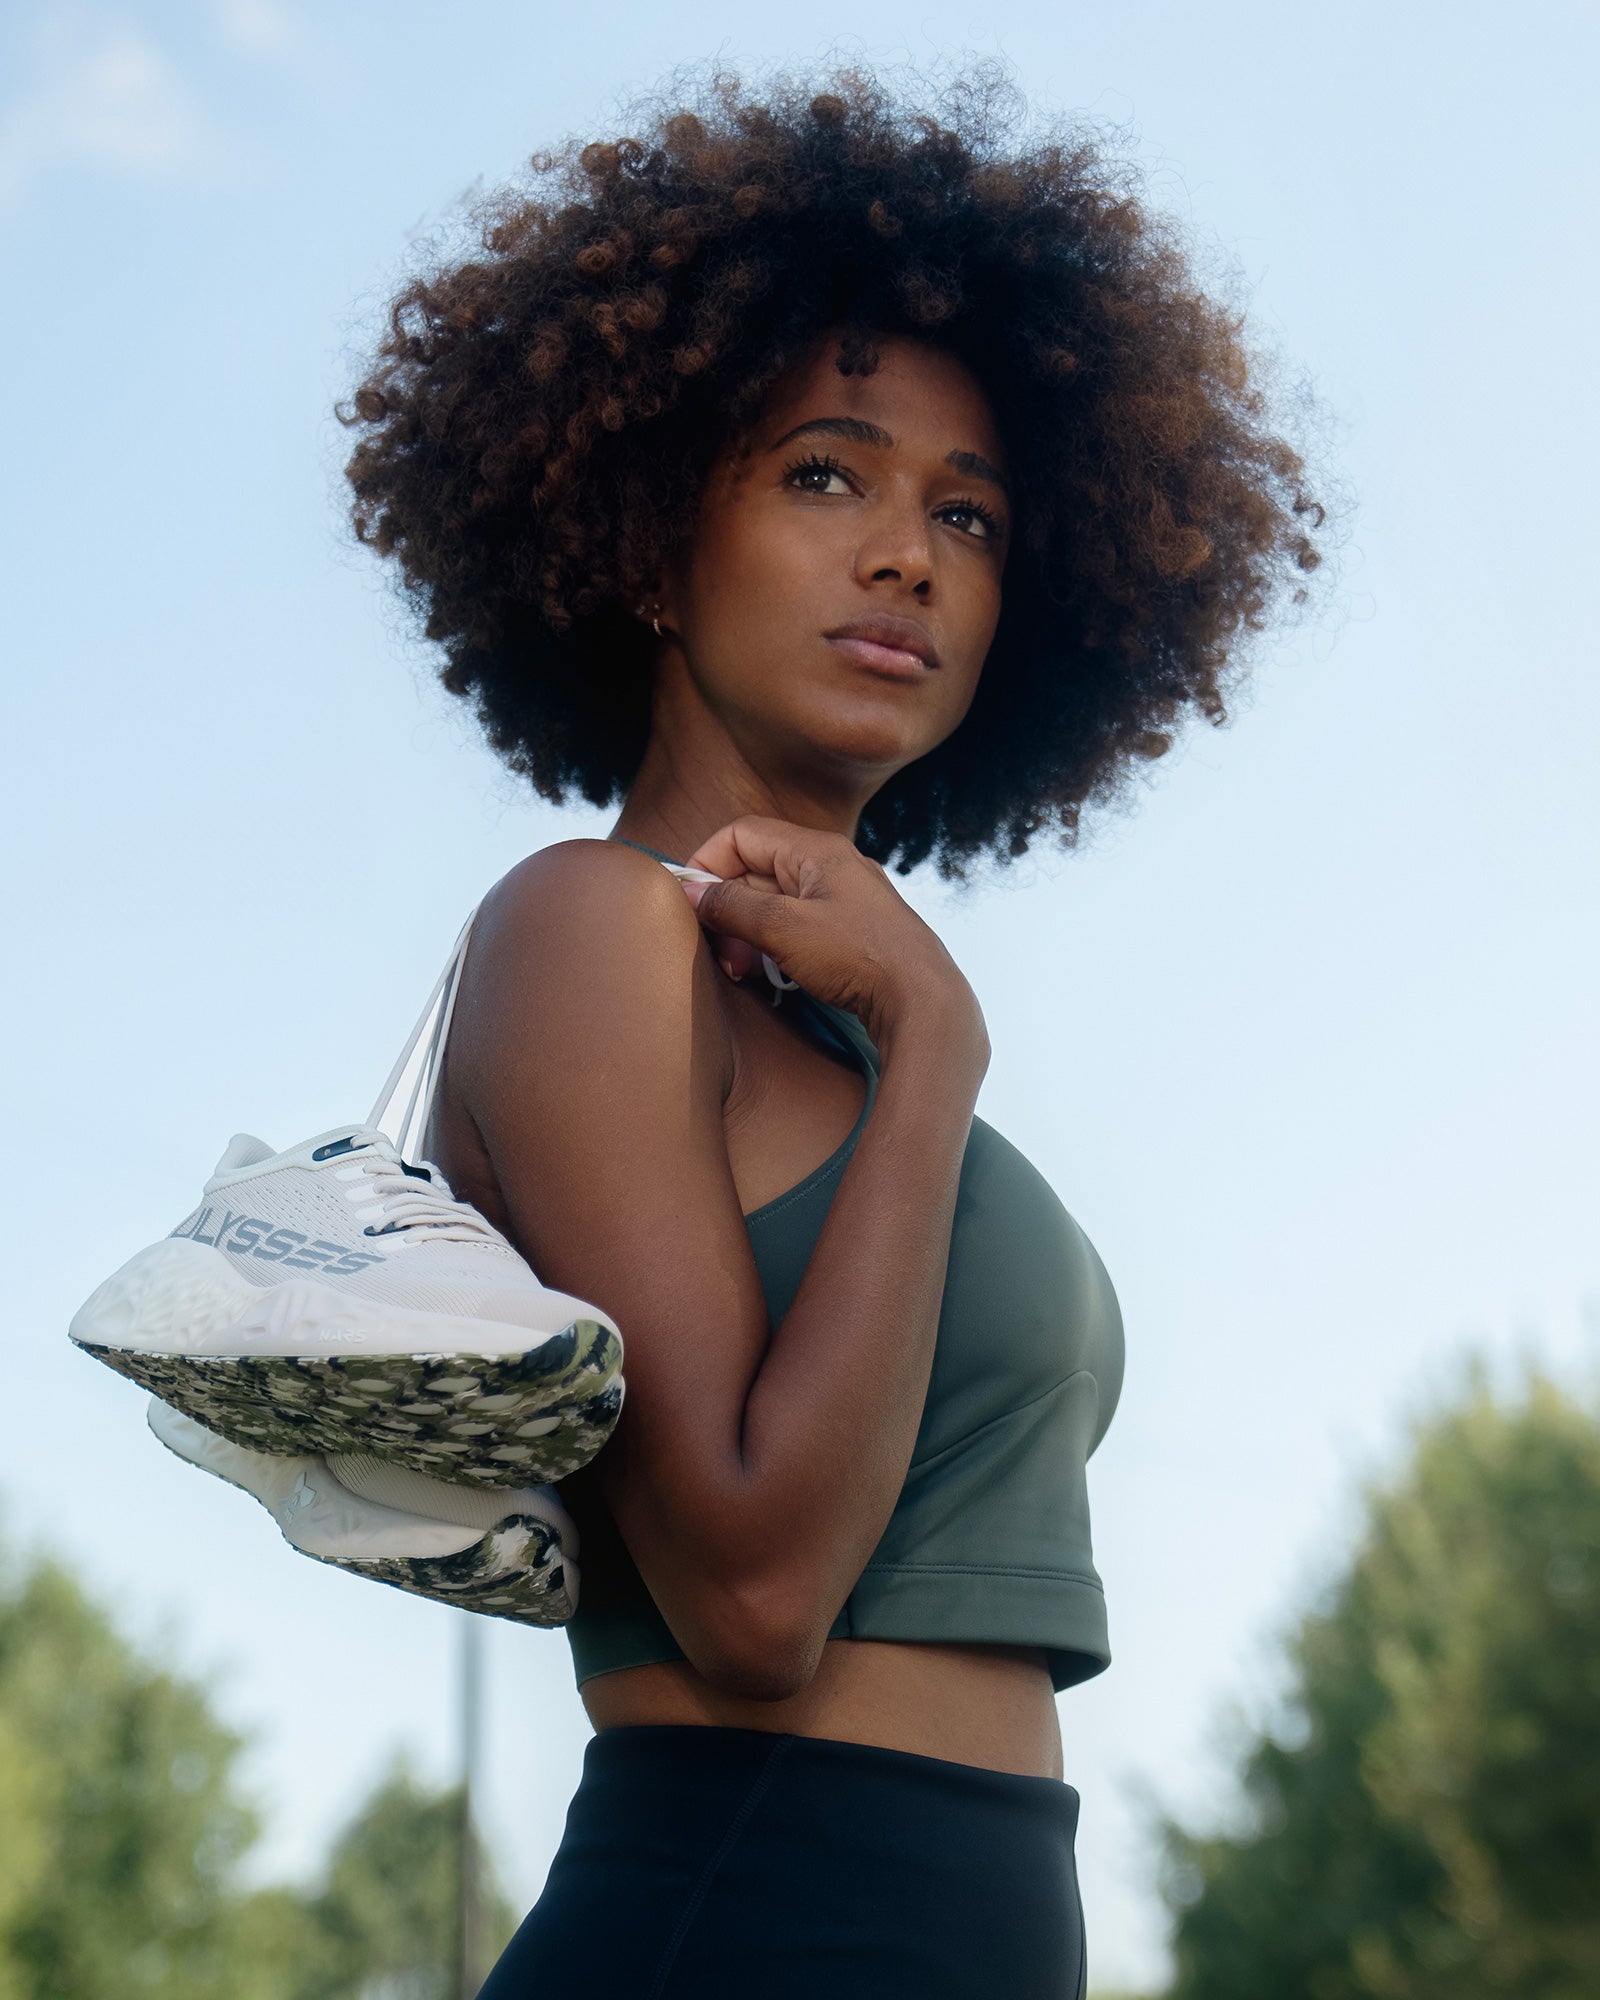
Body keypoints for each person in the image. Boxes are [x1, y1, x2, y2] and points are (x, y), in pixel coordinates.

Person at [339, 67, 1322, 1998]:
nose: (910, 554)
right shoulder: (592, 932)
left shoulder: (838, 1019)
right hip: (744, 1917)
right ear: (640, 541)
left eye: (970, 511)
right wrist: (945, 1054)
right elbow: (757, 1595)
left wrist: (913, 1045)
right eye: (825, 473)